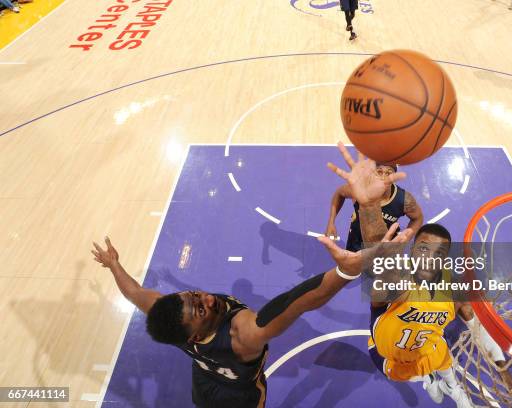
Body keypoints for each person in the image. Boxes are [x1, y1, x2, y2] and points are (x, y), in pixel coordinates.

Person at [91, 146, 413, 408]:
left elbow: (134, 292)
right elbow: (300, 302)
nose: (205, 298)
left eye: (191, 296)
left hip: (203, 385)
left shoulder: (171, 318)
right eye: (201, 309)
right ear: (190, 336)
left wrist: (114, 265)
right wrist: (346, 270)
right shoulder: (242, 336)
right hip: (241, 399)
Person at [326, 143, 512, 407]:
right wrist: (370, 204)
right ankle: (428, 380)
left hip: (430, 349)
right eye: (423, 248)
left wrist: (504, 373)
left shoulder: (453, 291)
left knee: (444, 360)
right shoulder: (395, 279)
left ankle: (451, 385)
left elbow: (478, 329)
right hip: (390, 356)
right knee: (416, 374)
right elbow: (379, 257)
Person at [325, 162, 423, 252]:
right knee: (350, 269)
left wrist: (405, 239)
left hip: (385, 247)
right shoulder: (360, 191)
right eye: (379, 172)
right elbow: (339, 193)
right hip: (357, 242)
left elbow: (418, 218)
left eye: (389, 173)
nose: (384, 177)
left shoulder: (404, 199)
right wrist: (331, 222)